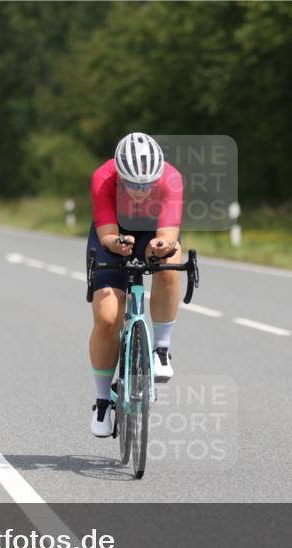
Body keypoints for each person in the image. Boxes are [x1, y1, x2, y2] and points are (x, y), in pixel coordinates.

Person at [87, 132, 183, 437]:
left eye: (147, 185)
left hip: (151, 232)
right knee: (106, 318)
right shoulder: (103, 178)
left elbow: (168, 234)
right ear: (119, 175)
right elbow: (106, 235)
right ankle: (103, 400)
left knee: (171, 261)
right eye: (133, 185)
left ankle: (161, 349)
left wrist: (160, 247)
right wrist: (117, 243)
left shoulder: (171, 179)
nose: (141, 191)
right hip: (113, 234)